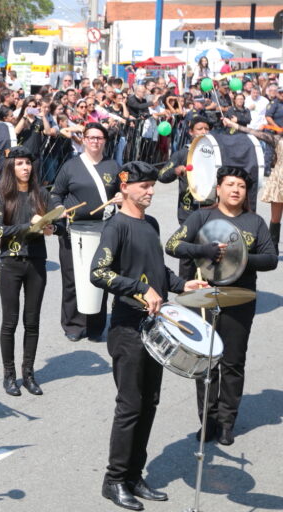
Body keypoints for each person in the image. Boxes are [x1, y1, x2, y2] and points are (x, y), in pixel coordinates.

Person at [90, 161, 205, 511]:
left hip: (158, 326)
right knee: (129, 405)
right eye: (143, 186)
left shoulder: (150, 224)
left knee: (150, 402)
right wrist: (139, 289)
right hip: (127, 326)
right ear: (125, 187)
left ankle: (134, 475)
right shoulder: (115, 227)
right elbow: (99, 273)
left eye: (152, 186)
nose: (150, 191)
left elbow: (157, 270)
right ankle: (114, 480)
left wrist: (182, 284)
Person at [165, 166, 277, 445]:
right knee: (204, 362)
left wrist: (240, 257)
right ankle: (208, 421)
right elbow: (172, 245)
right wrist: (203, 249)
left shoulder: (255, 222)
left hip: (240, 298)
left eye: (240, 185)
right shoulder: (202, 215)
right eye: (230, 184)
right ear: (219, 189)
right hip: (202, 297)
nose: (236, 189)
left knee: (233, 362)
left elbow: (271, 259)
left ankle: (227, 422)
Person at [0, 147, 61, 397]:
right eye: (19, 163)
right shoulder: (2, 194)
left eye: (28, 163)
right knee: (9, 322)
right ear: (11, 167)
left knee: (32, 321)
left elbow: (59, 217)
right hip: (10, 262)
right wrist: (27, 226)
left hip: (36, 262)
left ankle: (28, 373)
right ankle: (9, 375)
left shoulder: (41, 192)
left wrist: (53, 226)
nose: (25, 167)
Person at [50, 122, 121, 342]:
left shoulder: (114, 166)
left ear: (105, 141)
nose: (94, 141)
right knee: (72, 279)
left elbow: (125, 192)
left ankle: (96, 326)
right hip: (74, 230)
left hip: (104, 229)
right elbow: (55, 193)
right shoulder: (71, 166)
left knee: (100, 277)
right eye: (90, 137)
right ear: (84, 140)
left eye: (99, 138)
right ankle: (73, 324)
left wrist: (122, 197)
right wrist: (60, 209)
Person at [157, 115, 212, 279]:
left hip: (211, 209)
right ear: (190, 132)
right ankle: (186, 289)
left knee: (209, 250)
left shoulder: (216, 152)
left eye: (206, 129)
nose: (203, 132)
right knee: (188, 250)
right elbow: (162, 175)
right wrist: (176, 170)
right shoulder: (182, 154)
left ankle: (208, 290)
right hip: (188, 210)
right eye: (199, 129)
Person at [223, 117, 283, 246]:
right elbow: (254, 132)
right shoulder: (278, 139)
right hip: (279, 182)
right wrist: (234, 125)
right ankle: (272, 249)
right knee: (275, 219)